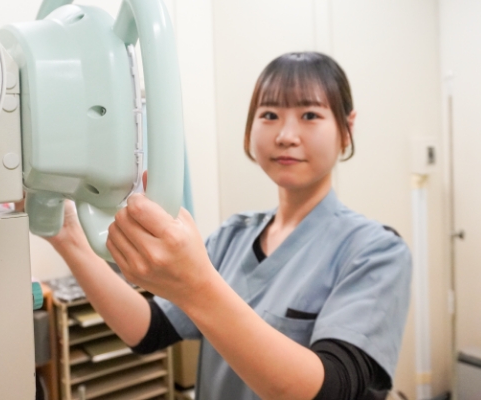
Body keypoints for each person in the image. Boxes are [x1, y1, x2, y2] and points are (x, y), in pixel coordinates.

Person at [45, 52, 411, 400]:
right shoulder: (233, 236)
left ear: (347, 129)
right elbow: (148, 330)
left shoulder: (375, 251)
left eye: (310, 115)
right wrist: (68, 236)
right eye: (269, 114)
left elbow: (330, 391)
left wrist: (196, 286)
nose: (286, 135)